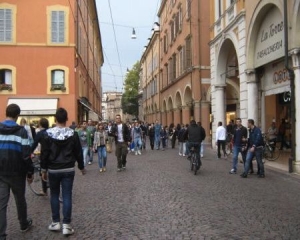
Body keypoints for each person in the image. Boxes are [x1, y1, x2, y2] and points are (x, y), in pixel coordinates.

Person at [41, 108, 85, 236]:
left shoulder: (47, 134)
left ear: (55, 119)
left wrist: (43, 169)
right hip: (68, 168)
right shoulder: (73, 134)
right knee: (67, 195)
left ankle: (55, 222)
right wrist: (81, 167)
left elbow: (44, 154)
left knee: (54, 195)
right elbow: (78, 152)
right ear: (66, 119)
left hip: (53, 169)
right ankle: (66, 224)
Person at [0, 104, 34, 239]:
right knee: (20, 199)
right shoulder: (21, 131)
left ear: (6, 113)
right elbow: (26, 154)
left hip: (1, 171)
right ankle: (23, 223)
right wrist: (30, 172)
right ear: (17, 115)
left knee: (1, 204)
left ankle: (1, 234)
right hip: (17, 171)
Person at [31, 117, 49, 196]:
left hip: (44, 155)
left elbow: (34, 144)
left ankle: (44, 190)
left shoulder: (40, 133)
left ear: (40, 125)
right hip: (53, 155)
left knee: (43, 171)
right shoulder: (51, 132)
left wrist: (30, 152)